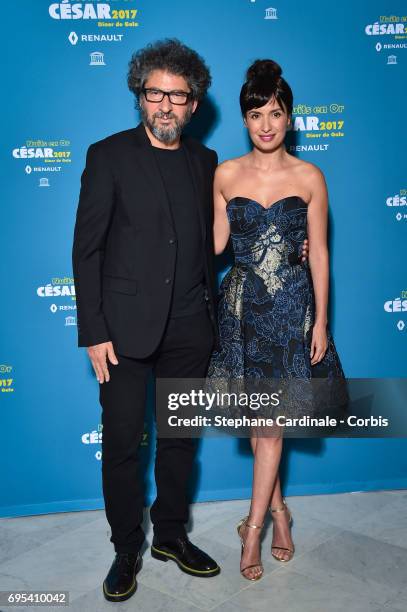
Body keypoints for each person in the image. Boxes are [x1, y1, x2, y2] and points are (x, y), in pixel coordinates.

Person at [72, 39, 222, 603]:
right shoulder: (107, 154)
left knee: (180, 441)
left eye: (177, 95)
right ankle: (125, 547)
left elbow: (216, 241)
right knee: (122, 446)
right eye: (154, 92)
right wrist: (94, 329)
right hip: (123, 332)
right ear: (140, 96)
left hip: (190, 327)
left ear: (193, 102)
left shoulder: (206, 162)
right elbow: (86, 250)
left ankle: (173, 536)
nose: (165, 104)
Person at [206, 59, 347, 581]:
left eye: (276, 112)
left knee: (269, 427)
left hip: (291, 307)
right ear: (244, 119)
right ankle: (282, 514)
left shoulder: (310, 176)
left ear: (290, 119)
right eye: (256, 113)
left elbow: (321, 255)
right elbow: (216, 245)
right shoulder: (224, 173)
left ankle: (252, 529)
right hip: (241, 309)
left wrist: (321, 322)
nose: (266, 123)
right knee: (261, 429)